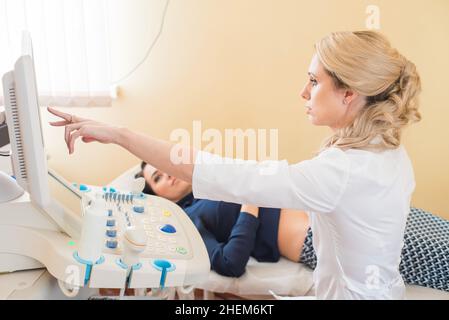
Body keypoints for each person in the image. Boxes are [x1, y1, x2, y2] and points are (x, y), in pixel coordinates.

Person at [48, 31, 423, 299]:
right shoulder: (388, 153)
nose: (303, 93)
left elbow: (222, 174)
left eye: (313, 81)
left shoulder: (343, 171)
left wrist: (119, 134)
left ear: (348, 93)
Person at [137, 162, 449, 292]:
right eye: (158, 179)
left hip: (337, 208)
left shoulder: (211, 185)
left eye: (164, 169)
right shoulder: (187, 219)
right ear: (157, 195)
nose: (168, 175)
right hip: (320, 237)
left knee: (437, 229)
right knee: (436, 255)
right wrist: (250, 202)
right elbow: (229, 263)